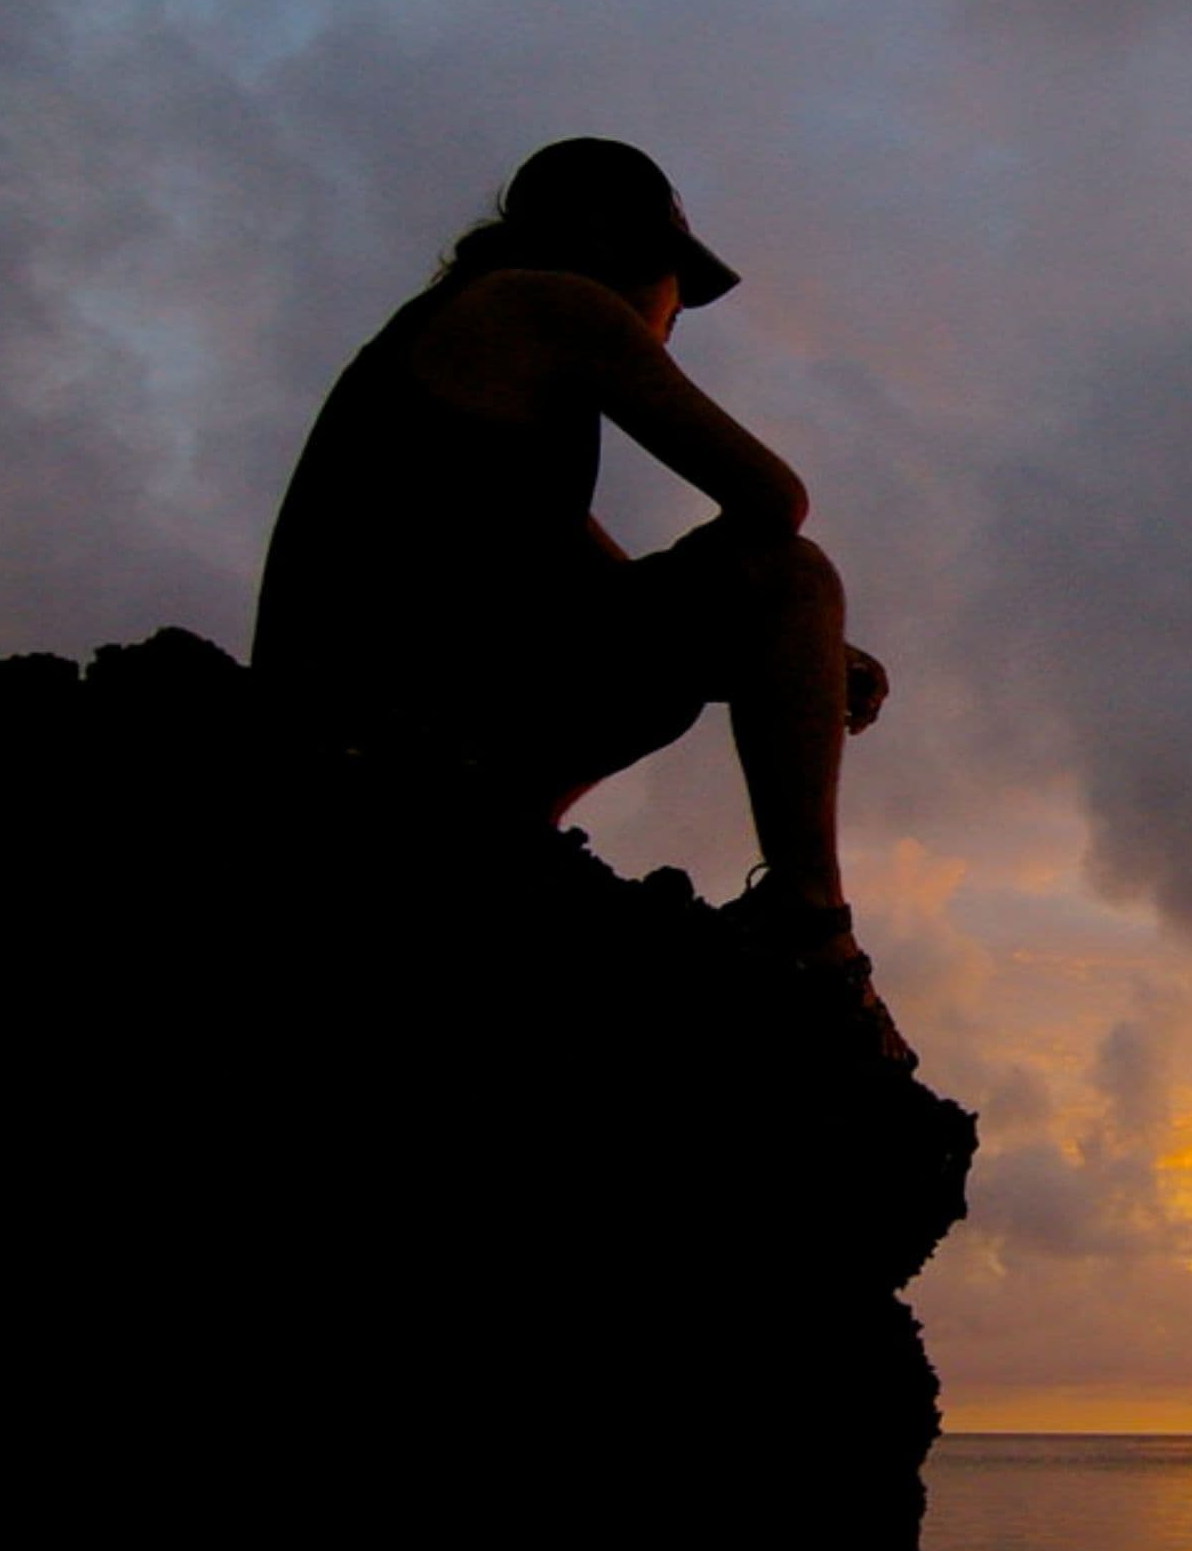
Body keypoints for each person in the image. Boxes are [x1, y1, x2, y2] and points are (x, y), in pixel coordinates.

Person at [254, 137, 900, 1051]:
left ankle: (507, 843)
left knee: (767, 605)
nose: (676, 319)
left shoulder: (467, 355)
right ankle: (813, 934)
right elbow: (773, 502)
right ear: (611, 246)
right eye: (677, 285)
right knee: (794, 570)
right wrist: (785, 616)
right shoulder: (548, 302)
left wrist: (804, 658)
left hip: (360, 733)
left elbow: (615, 590)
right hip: (378, 732)